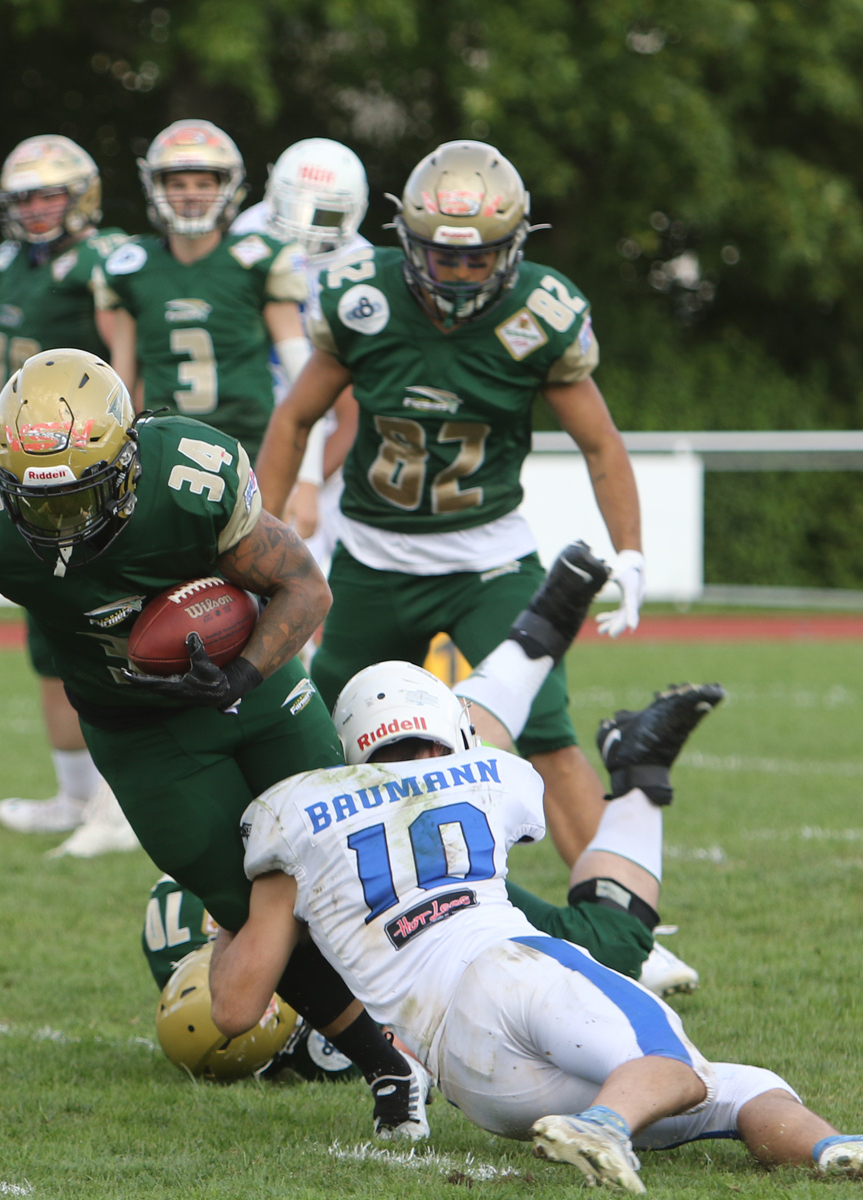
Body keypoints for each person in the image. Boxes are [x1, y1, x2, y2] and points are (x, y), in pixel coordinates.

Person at [0, 348, 433, 1139]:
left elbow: (305, 587)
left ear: (129, 460)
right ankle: (387, 1066)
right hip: (136, 730)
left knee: (355, 857)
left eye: (80, 497)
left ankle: (447, 1013)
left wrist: (239, 674)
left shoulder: (189, 479)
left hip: (254, 689)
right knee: (251, 909)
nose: (61, 523)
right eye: (40, 503)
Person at [215, 661, 863, 1191]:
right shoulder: (492, 772)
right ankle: (605, 1126)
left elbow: (235, 1009)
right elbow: (481, 766)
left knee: (738, 1088)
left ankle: (832, 1149)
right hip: (506, 968)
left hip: (468, 1077)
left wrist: (231, 915)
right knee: (671, 1064)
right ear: (444, 730)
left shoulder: (296, 816)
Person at [255, 140, 651, 922]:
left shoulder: (540, 315)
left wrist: (632, 551)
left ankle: (624, 919)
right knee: (318, 734)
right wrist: (259, 549)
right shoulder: (362, 298)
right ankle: (294, 911)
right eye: (444, 256)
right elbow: (295, 418)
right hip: (374, 558)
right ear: (408, 242)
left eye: (480, 258)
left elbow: (601, 443)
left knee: (544, 728)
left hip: (488, 557)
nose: (462, 274)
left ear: (514, 248)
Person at [0, 135, 133, 851]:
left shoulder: (101, 263)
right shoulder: (12, 264)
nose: (36, 209)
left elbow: (124, 359)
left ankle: (118, 801)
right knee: (45, 628)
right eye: (25, 198)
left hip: (83, 463)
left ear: (82, 197)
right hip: (25, 461)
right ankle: (73, 795)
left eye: (49, 195)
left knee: (106, 622)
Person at [96, 119, 312, 465]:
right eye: (177, 184)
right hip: (163, 449)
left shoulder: (257, 260)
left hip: (250, 448)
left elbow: (301, 376)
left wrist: (307, 477)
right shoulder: (132, 267)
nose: (191, 194)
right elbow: (121, 384)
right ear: (155, 188)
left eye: (204, 184)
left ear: (228, 186)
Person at [229, 137, 372, 570]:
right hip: (248, 420)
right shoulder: (245, 236)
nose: (305, 228)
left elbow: (352, 412)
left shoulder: (362, 273)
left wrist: (303, 481)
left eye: (322, 214)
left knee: (310, 571)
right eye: (295, 207)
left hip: (325, 441)